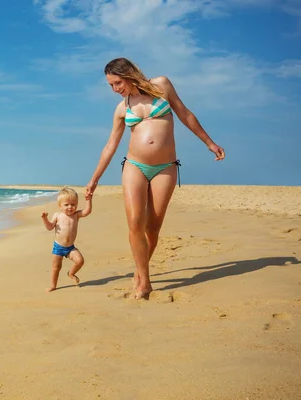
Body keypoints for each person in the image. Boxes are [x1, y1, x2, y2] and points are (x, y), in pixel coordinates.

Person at [85, 58, 225, 300]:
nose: (115, 89)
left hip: (165, 167)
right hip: (134, 166)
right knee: (135, 223)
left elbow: (185, 114)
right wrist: (94, 179)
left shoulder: (161, 86)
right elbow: (110, 146)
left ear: (128, 75)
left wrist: (209, 142)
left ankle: (140, 270)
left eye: (117, 82)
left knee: (153, 228)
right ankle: (145, 282)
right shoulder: (122, 108)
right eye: (110, 85)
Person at [41, 187, 92, 292]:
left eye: (73, 204)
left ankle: (71, 273)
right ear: (60, 206)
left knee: (80, 261)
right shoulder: (58, 215)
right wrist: (45, 219)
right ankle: (53, 285)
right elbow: (50, 227)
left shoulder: (76, 215)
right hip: (58, 247)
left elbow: (87, 212)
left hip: (70, 248)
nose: (70, 207)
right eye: (66, 205)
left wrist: (89, 200)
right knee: (56, 267)